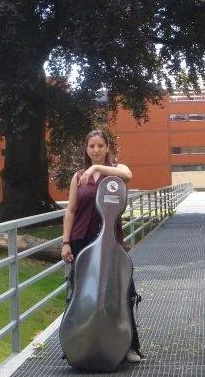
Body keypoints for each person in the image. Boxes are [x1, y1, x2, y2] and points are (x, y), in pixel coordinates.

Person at [60, 129, 144, 363]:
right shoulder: (78, 177)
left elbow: (128, 174)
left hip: (110, 241)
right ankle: (76, 344)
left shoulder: (115, 175)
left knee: (122, 290)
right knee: (80, 294)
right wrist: (66, 241)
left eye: (100, 146)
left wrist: (97, 168)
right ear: (86, 149)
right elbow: (71, 210)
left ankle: (128, 345)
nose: (95, 150)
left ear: (107, 148)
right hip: (82, 239)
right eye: (91, 146)